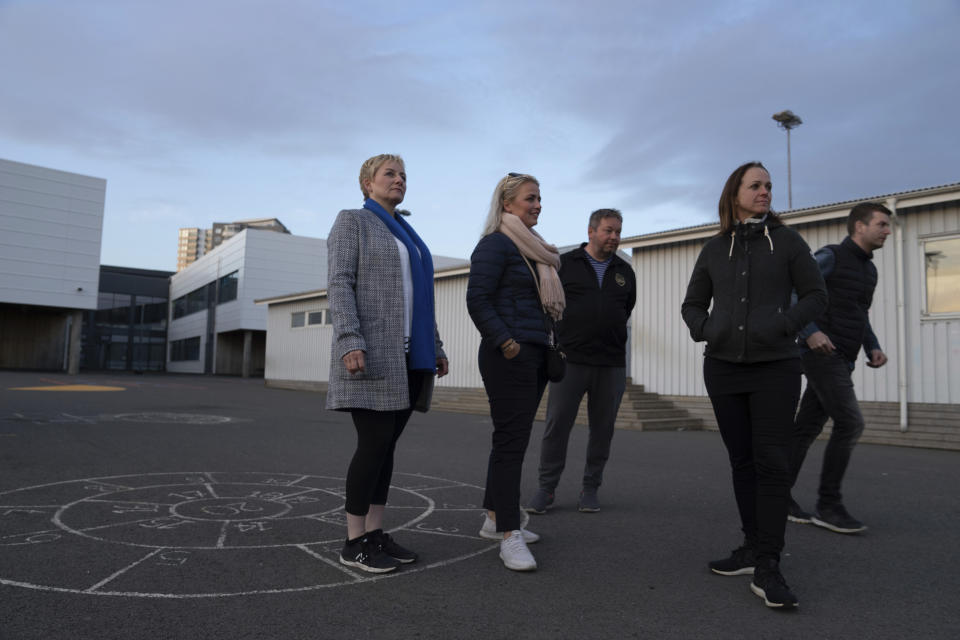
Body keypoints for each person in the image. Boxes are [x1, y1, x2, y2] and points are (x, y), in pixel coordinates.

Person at [681, 161, 827, 609]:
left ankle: (768, 564)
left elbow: (818, 294)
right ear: (734, 193)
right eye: (755, 185)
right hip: (723, 369)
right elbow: (691, 305)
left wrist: (783, 325)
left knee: (772, 464)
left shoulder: (786, 242)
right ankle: (749, 547)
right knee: (742, 462)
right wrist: (707, 329)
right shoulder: (714, 248)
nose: (764, 192)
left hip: (776, 368)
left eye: (768, 186)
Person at [326, 154, 448, 574]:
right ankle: (353, 541)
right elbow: (340, 281)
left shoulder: (408, 234)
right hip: (371, 352)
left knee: (386, 449)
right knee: (372, 444)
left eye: (403, 175)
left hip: (409, 357)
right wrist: (349, 339)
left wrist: (436, 346)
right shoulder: (352, 222)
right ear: (367, 184)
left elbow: (419, 298)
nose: (399, 180)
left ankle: (375, 533)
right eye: (389, 174)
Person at [466, 172, 565, 571]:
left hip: (533, 355)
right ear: (507, 204)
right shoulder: (495, 245)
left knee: (511, 440)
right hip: (509, 356)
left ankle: (494, 520)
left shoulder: (534, 251)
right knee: (511, 444)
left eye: (540, 198)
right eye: (530, 198)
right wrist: (507, 343)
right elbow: (478, 299)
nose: (538, 204)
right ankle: (510, 534)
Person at [788, 202, 892, 534]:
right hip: (820, 352)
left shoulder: (869, 270)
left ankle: (774, 495)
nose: (887, 231)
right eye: (881, 224)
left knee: (805, 428)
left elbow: (859, 314)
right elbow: (795, 293)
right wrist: (810, 331)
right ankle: (828, 505)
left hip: (843, 357)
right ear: (859, 226)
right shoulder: (831, 256)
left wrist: (871, 345)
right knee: (850, 423)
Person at [526, 208, 636, 515]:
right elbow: (548, 305)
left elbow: (625, 309)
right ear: (591, 232)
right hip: (570, 360)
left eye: (617, 231)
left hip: (611, 363)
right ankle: (546, 489)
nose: (614, 237)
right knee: (557, 427)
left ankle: (591, 488)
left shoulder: (624, 271)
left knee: (603, 430)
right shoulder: (566, 264)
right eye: (608, 231)